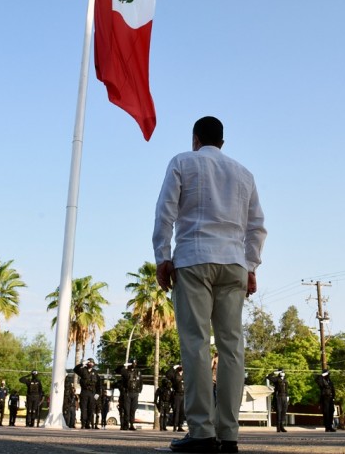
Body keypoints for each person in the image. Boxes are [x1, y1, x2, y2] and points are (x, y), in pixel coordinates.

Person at [154, 116, 267, 454]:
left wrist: (162, 256)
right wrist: (251, 265)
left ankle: (202, 432)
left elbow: (165, 212)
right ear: (222, 141)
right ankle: (229, 435)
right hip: (233, 263)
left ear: (195, 138)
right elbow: (257, 225)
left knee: (195, 343)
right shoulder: (243, 173)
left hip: (194, 259)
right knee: (233, 347)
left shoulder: (182, 162)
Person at [115, 359, 142, 431]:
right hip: (127, 393)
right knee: (127, 410)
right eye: (132, 363)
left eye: (135, 363)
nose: (134, 364)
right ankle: (126, 425)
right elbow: (117, 370)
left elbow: (141, 382)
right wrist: (124, 365)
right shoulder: (125, 372)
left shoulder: (138, 372)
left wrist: (139, 391)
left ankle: (132, 424)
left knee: (133, 410)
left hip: (135, 393)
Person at [75, 358, 99, 429]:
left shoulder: (95, 372)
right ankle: (83, 423)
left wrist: (97, 394)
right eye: (89, 362)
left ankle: (88, 423)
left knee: (91, 409)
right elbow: (75, 369)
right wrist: (82, 364)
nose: (91, 364)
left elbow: (98, 384)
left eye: (92, 363)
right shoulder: (83, 370)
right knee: (83, 408)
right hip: (84, 392)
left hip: (92, 393)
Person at [167, 364, 185, 432]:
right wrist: (173, 367)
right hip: (177, 395)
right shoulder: (174, 374)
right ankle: (175, 426)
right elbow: (168, 375)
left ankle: (180, 426)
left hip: (183, 395)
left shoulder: (185, 375)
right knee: (176, 411)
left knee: (182, 411)